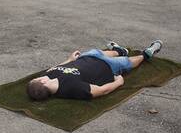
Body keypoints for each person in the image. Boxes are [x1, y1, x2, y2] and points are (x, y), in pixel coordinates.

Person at [26, 41, 163, 101]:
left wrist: (69, 60)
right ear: (43, 82)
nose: (39, 76)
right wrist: (118, 83)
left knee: (98, 52)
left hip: (88, 57)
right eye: (37, 78)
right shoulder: (71, 88)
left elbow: (55, 67)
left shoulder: (48, 76)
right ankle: (146, 54)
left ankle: (120, 50)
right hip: (107, 67)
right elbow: (100, 90)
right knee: (128, 62)